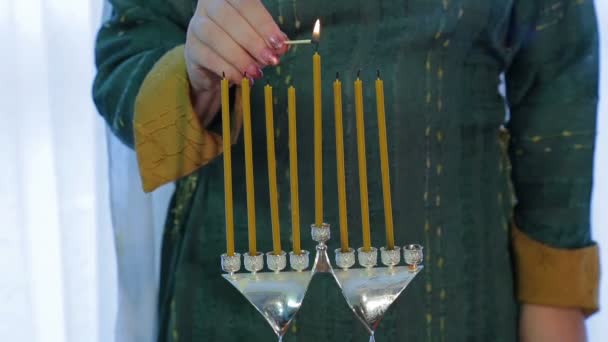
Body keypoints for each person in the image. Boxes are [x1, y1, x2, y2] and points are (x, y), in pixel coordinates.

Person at [93, 0, 600, 341]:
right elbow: (124, 73)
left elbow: (559, 88)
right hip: (239, 298)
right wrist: (194, 73)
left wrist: (554, 303)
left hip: (454, 295)